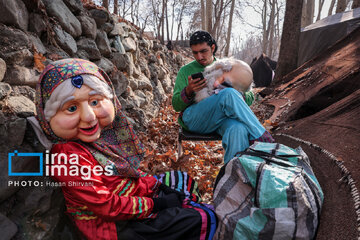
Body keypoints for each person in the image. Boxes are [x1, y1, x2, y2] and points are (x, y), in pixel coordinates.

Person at [31, 58, 217, 240]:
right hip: (114, 226)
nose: (88, 117)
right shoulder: (67, 156)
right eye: (71, 108)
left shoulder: (100, 141)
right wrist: (157, 204)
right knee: (201, 219)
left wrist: (156, 186)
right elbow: (106, 205)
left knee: (182, 181)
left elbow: (128, 177)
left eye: (95, 102)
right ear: (48, 118)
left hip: (131, 200)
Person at [172, 30, 274, 163]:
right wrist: (189, 90)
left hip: (220, 119)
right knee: (228, 94)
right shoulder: (185, 71)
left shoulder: (227, 66)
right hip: (194, 119)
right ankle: (261, 137)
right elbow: (176, 105)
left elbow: (250, 96)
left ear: (213, 48)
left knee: (238, 129)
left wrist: (236, 93)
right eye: (195, 53)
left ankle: (233, 176)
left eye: (203, 51)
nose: (199, 56)